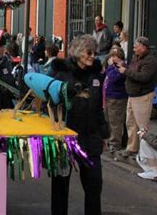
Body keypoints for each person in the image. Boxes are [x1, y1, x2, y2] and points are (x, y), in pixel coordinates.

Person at [50, 34, 109, 215]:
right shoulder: (60, 73)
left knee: (94, 185)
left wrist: (104, 134)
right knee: (60, 187)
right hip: (65, 137)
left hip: (90, 137)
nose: (92, 56)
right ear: (77, 52)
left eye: (95, 52)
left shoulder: (96, 76)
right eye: (88, 52)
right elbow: (48, 102)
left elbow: (99, 108)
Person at [117, 36, 157, 158]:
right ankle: (132, 148)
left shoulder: (151, 61)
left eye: (136, 46)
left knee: (142, 125)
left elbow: (143, 77)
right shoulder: (136, 57)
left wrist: (126, 71)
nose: (134, 49)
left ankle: (145, 153)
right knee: (131, 123)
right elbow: (132, 71)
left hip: (142, 96)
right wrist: (123, 66)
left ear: (144, 47)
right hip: (132, 95)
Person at [104, 46, 128, 153]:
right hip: (110, 96)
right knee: (109, 120)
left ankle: (115, 144)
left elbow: (113, 78)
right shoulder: (114, 66)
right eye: (111, 56)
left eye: (114, 56)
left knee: (116, 122)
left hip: (117, 98)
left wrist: (109, 67)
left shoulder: (121, 66)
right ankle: (111, 141)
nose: (112, 58)